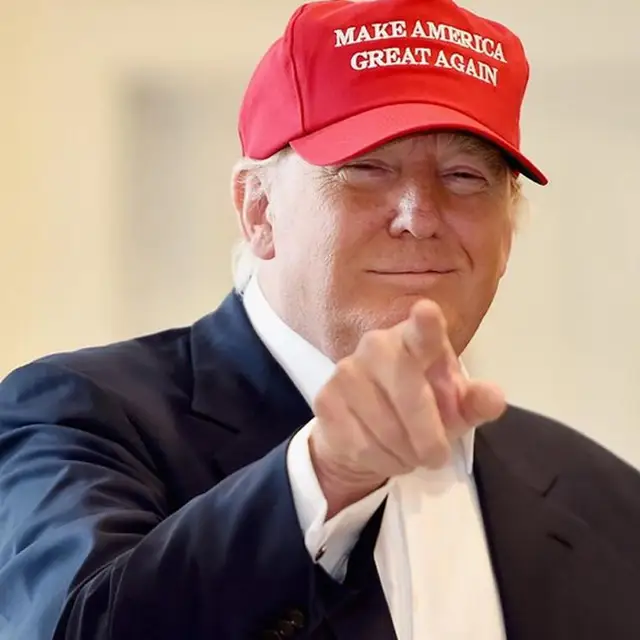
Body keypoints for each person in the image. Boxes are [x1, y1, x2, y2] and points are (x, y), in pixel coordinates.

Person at [1, 0, 639, 638]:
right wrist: (325, 474)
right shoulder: (79, 415)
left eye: (466, 176)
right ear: (258, 210)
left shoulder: (605, 499)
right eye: (364, 169)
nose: (419, 214)